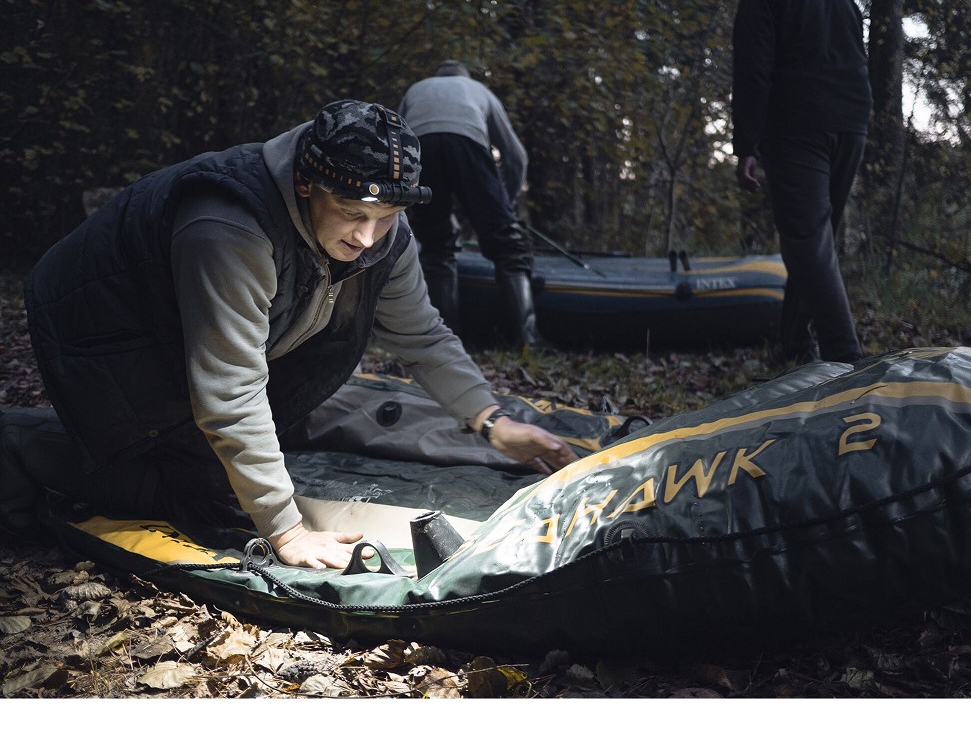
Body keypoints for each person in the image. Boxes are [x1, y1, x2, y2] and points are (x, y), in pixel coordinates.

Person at [0, 99, 575, 568]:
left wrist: (492, 423)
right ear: (305, 183)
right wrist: (286, 530)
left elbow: (421, 333)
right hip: (107, 334)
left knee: (263, 430)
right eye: (352, 213)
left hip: (201, 330)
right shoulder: (228, 223)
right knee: (207, 496)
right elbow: (229, 389)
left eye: (386, 217)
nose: (368, 238)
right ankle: (18, 441)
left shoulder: (384, 233)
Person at [730, 0, 872, 364]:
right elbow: (858, 58)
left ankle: (846, 359)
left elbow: (753, 74)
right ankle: (794, 344)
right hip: (851, 124)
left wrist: (746, 147)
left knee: (808, 242)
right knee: (814, 241)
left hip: (798, 128)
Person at [398, 60, 541, 347]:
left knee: (437, 245)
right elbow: (516, 157)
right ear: (465, 75)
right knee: (507, 243)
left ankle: (446, 340)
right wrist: (506, 203)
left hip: (419, 149)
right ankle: (527, 340)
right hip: (468, 143)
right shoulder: (479, 90)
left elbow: (398, 139)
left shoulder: (416, 89)